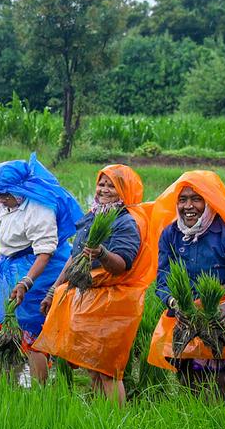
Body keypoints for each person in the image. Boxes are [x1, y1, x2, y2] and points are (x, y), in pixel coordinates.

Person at [32, 165, 156, 405]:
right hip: (88, 299)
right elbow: (75, 256)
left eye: (112, 185)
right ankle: (103, 414)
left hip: (114, 303)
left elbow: (122, 264)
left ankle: (115, 421)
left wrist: (102, 253)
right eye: (102, 184)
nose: (104, 189)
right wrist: (53, 290)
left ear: (125, 191)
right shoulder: (94, 215)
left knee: (108, 370)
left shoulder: (126, 222)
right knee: (92, 366)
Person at [146, 170, 225, 393]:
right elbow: (163, 280)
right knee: (188, 384)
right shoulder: (171, 234)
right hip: (186, 316)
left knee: (221, 385)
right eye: (183, 199)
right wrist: (175, 304)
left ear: (211, 202)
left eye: (196, 199)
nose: (189, 206)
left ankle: (224, 425)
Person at [0, 154, 81, 381]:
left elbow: (45, 252)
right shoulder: (8, 203)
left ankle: (40, 390)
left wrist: (26, 281)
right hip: (15, 267)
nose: (0, 200)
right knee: (14, 326)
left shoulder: (39, 209)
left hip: (41, 271)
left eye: (4, 195)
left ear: (19, 189)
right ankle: (9, 380)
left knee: (33, 332)